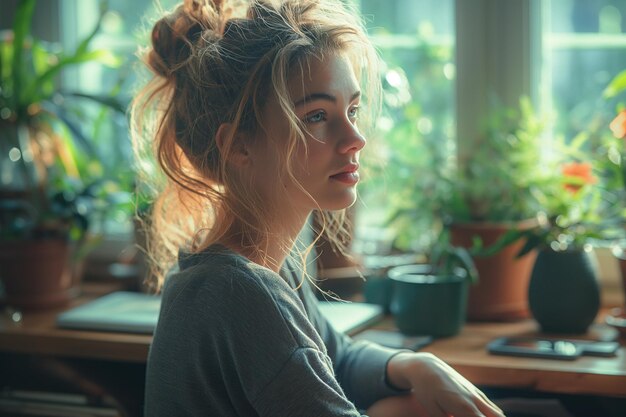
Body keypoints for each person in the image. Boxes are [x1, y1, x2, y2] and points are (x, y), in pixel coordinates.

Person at [132, 0, 506, 416]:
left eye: (352, 110)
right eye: (316, 116)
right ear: (238, 144)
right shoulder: (240, 291)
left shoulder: (269, 263)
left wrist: (417, 364)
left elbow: (337, 357)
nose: (355, 138)